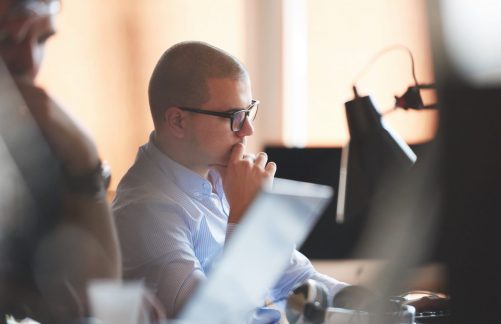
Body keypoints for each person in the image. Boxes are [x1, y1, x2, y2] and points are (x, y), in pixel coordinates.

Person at [112, 41, 348, 318]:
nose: (247, 129)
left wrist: (379, 302)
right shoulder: (146, 212)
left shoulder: (223, 175)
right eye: (234, 116)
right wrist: (245, 218)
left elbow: (293, 278)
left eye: (248, 111)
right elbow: (215, 318)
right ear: (177, 121)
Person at [0, 0, 121, 322]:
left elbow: (95, 292)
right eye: (6, 40)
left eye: (42, 40)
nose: (29, 62)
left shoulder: (23, 146)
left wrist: (84, 161)